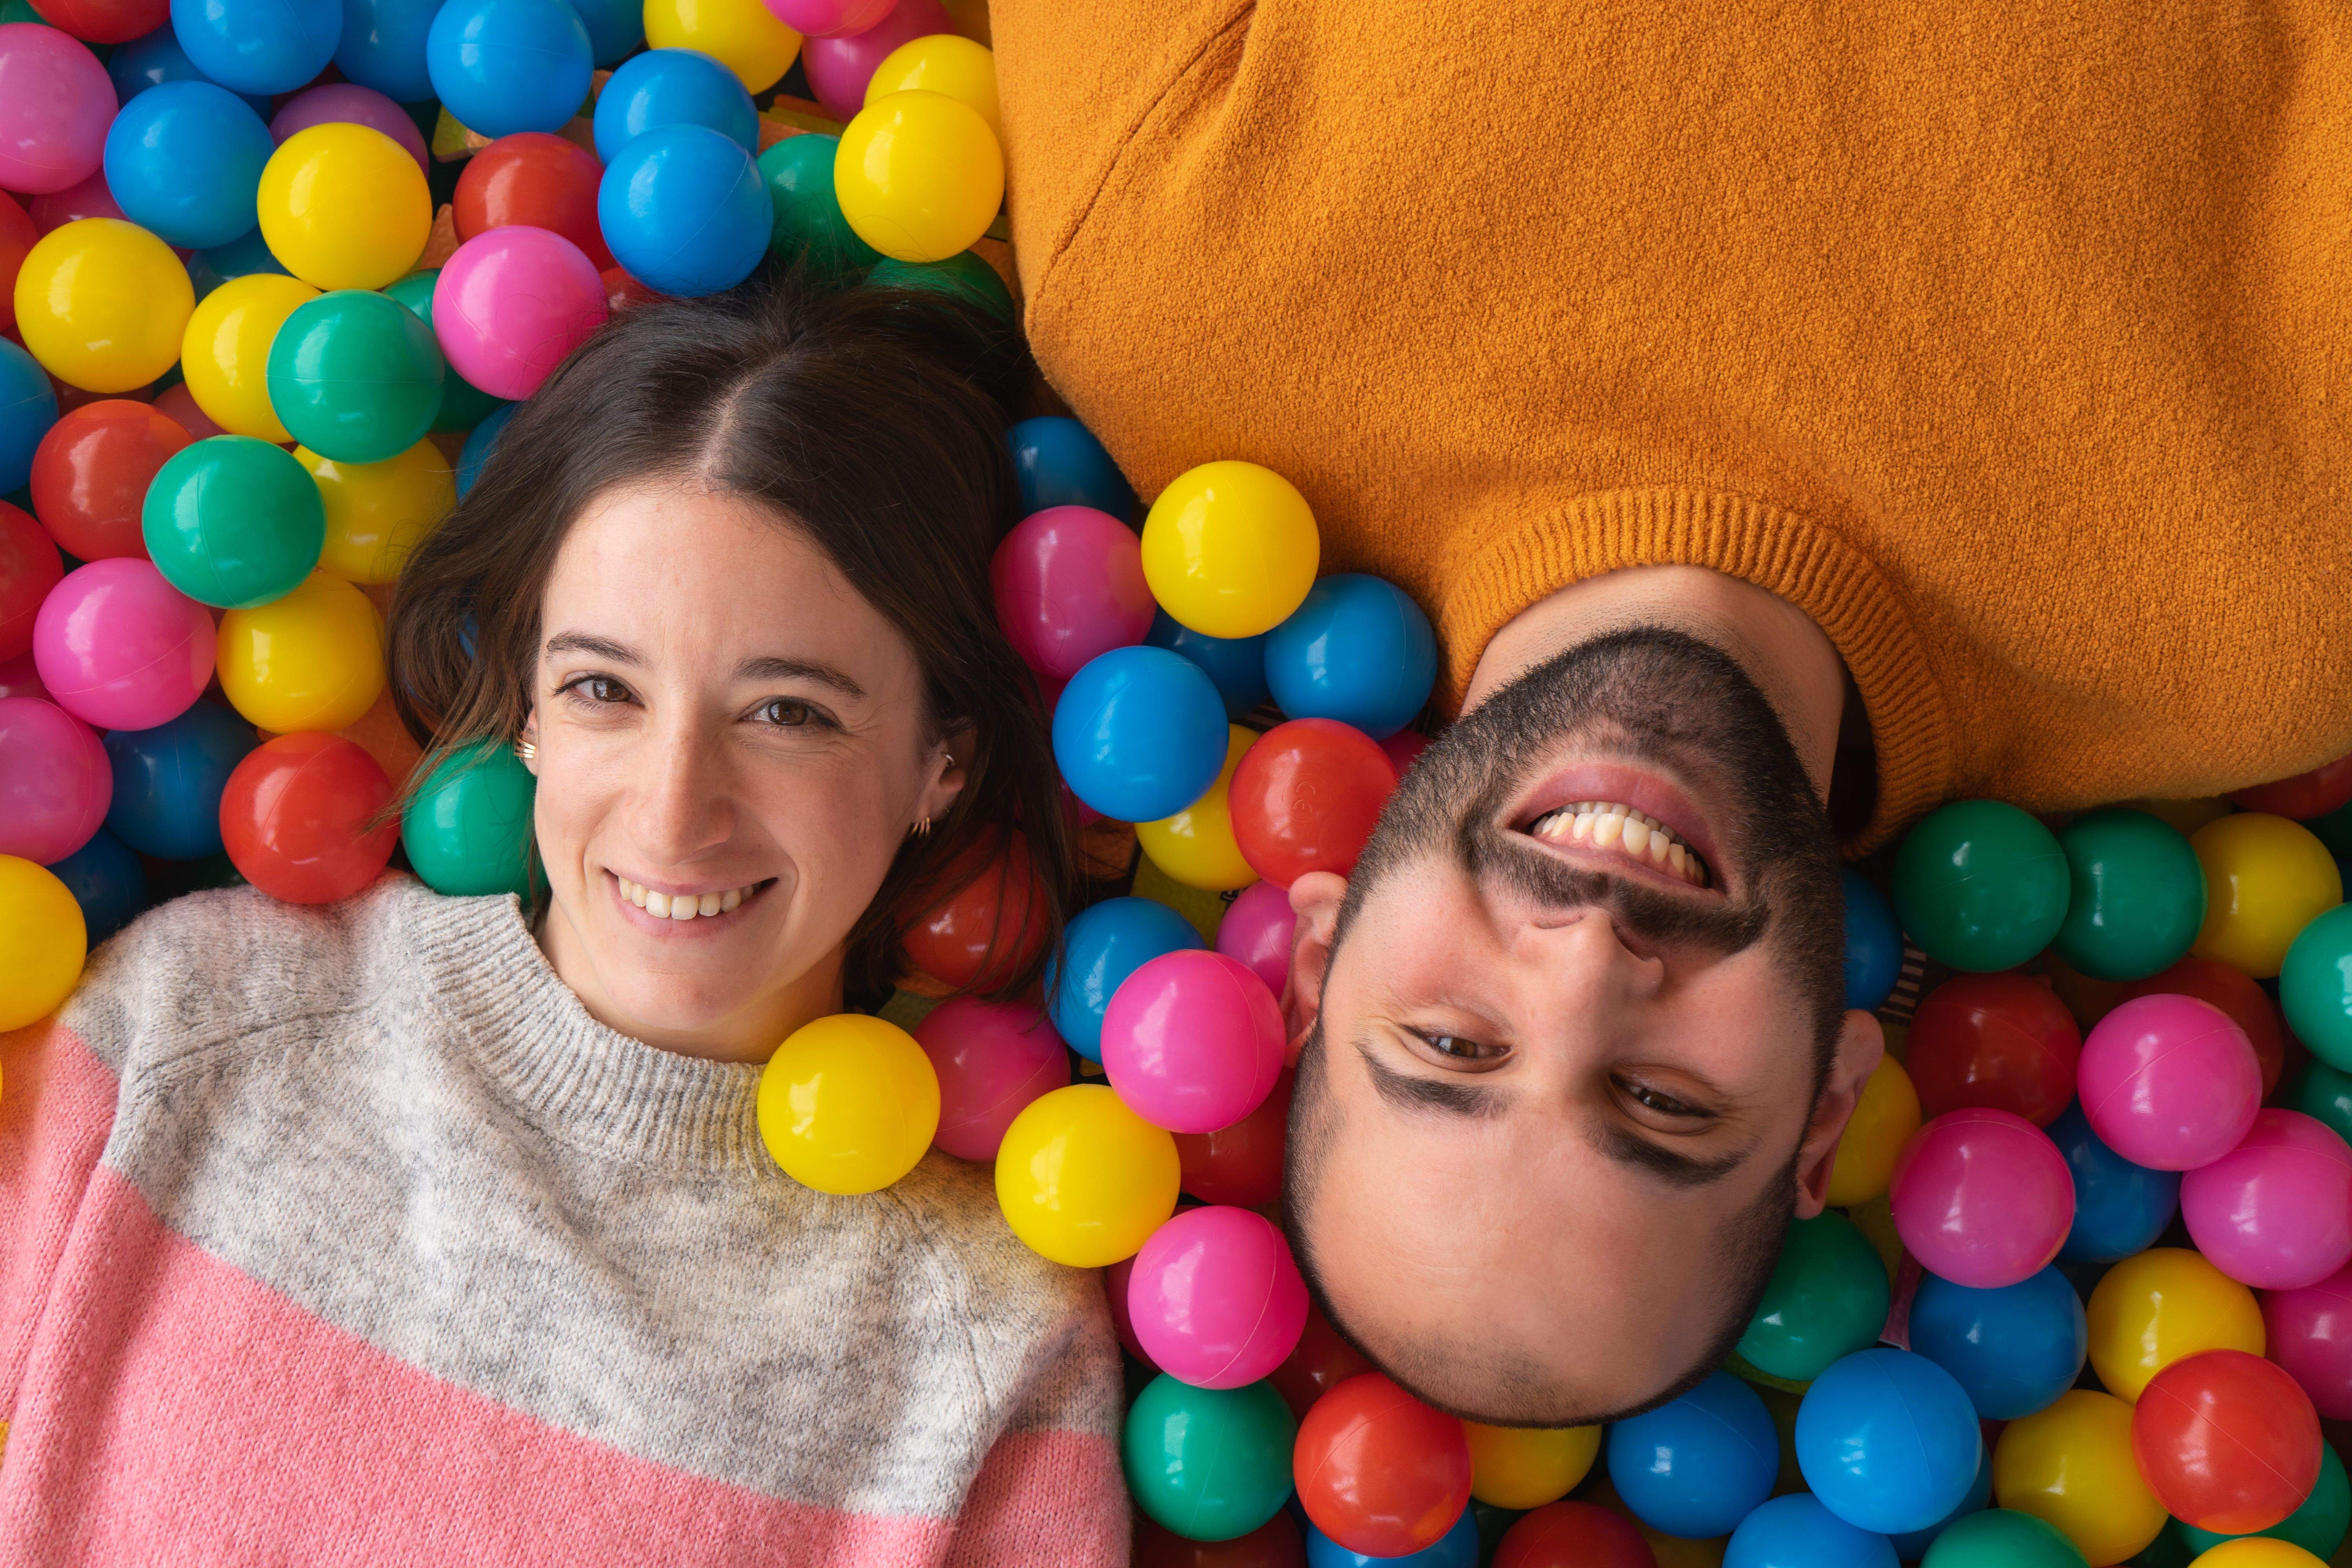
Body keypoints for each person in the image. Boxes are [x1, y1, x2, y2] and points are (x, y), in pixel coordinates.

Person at [991, 0, 2352, 1423]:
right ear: (1829, 1104)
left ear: (1322, 961)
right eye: (1665, 1105)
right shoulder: (2277, 611)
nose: (1587, 962)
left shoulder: (1170, 275)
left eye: (1453, 1046)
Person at [0, 270, 1127, 1561]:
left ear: (946, 760)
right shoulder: (193, 1029)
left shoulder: (988, 1343)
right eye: (604, 689)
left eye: (788, 713)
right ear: (526, 704)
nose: (671, 813)